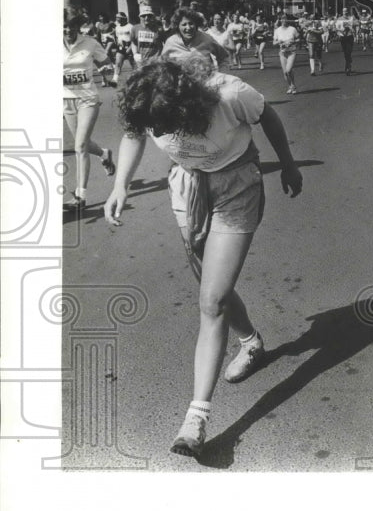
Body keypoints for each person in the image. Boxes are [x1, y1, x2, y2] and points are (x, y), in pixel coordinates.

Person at [104, 54, 303, 457]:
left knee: (211, 301)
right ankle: (250, 341)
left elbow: (269, 116)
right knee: (214, 288)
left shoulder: (229, 93)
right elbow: (134, 133)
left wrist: (288, 164)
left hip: (236, 186)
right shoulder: (152, 102)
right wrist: (120, 184)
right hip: (187, 185)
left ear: (187, 107)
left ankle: (196, 419)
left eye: (165, 123)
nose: (158, 130)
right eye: (153, 124)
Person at [62, 15, 116, 212]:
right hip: (66, 100)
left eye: (71, 26)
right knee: (82, 143)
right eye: (64, 27)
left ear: (77, 26)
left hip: (88, 99)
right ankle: (104, 153)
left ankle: (80, 196)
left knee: (80, 146)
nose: (67, 30)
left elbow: (105, 63)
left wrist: (108, 73)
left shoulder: (90, 43)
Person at [161, 8, 231, 69]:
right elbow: (161, 65)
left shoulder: (206, 39)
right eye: (184, 24)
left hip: (206, 83)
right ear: (177, 26)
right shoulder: (171, 42)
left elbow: (224, 57)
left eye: (191, 23)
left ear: (196, 24)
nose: (188, 28)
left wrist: (221, 75)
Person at [271, 12, 300, 94]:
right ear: (279, 20)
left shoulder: (292, 29)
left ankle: (293, 85)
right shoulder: (277, 30)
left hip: (291, 52)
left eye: (285, 18)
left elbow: (299, 39)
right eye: (282, 18)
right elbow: (273, 43)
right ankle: (290, 86)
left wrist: (293, 41)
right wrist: (278, 42)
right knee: (285, 72)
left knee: (288, 70)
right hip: (282, 53)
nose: (284, 20)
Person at [112, 12, 135, 85]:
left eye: (118, 17)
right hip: (121, 47)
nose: (117, 19)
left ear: (123, 18)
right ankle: (115, 79)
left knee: (133, 64)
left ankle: (138, 78)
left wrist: (130, 48)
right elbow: (117, 37)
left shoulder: (130, 26)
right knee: (118, 62)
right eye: (116, 17)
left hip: (129, 46)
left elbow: (134, 39)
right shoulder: (117, 27)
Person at [334, 8, 355, 75]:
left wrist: (352, 28)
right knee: (345, 52)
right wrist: (339, 31)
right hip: (343, 37)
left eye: (346, 11)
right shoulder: (339, 19)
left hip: (350, 36)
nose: (345, 12)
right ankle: (348, 63)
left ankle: (348, 66)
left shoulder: (351, 18)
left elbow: (357, 24)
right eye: (344, 11)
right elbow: (336, 28)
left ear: (348, 12)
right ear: (342, 12)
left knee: (349, 51)